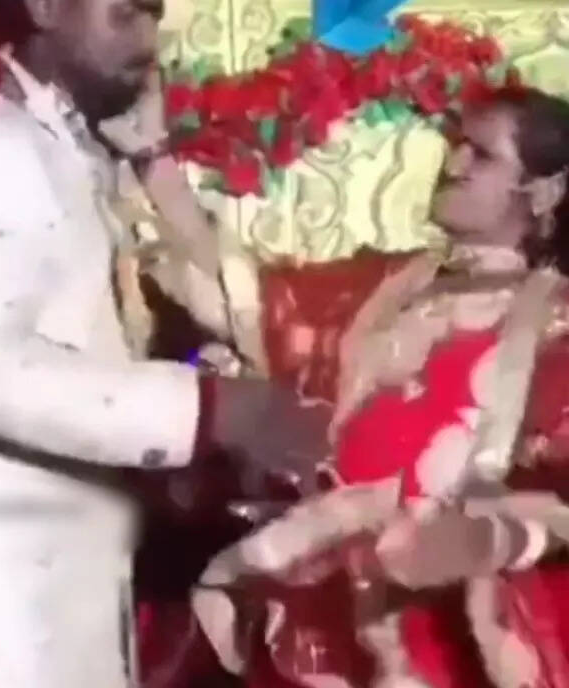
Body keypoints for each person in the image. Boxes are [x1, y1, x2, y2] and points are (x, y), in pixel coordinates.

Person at [0, 0, 333, 686]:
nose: (149, 41)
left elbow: (230, 305)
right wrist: (206, 410)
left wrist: (151, 156)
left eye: (153, 17)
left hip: (81, 585)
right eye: (127, 15)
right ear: (45, 3)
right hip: (10, 610)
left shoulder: (80, 154)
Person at [141, 86, 569, 686]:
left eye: (481, 153)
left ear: (544, 191)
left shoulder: (554, 323)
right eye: (455, 144)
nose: (452, 162)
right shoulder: (382, 286)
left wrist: (483, 538)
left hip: (445, 624)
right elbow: (240, 298)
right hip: (325, 599)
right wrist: (152, 162)